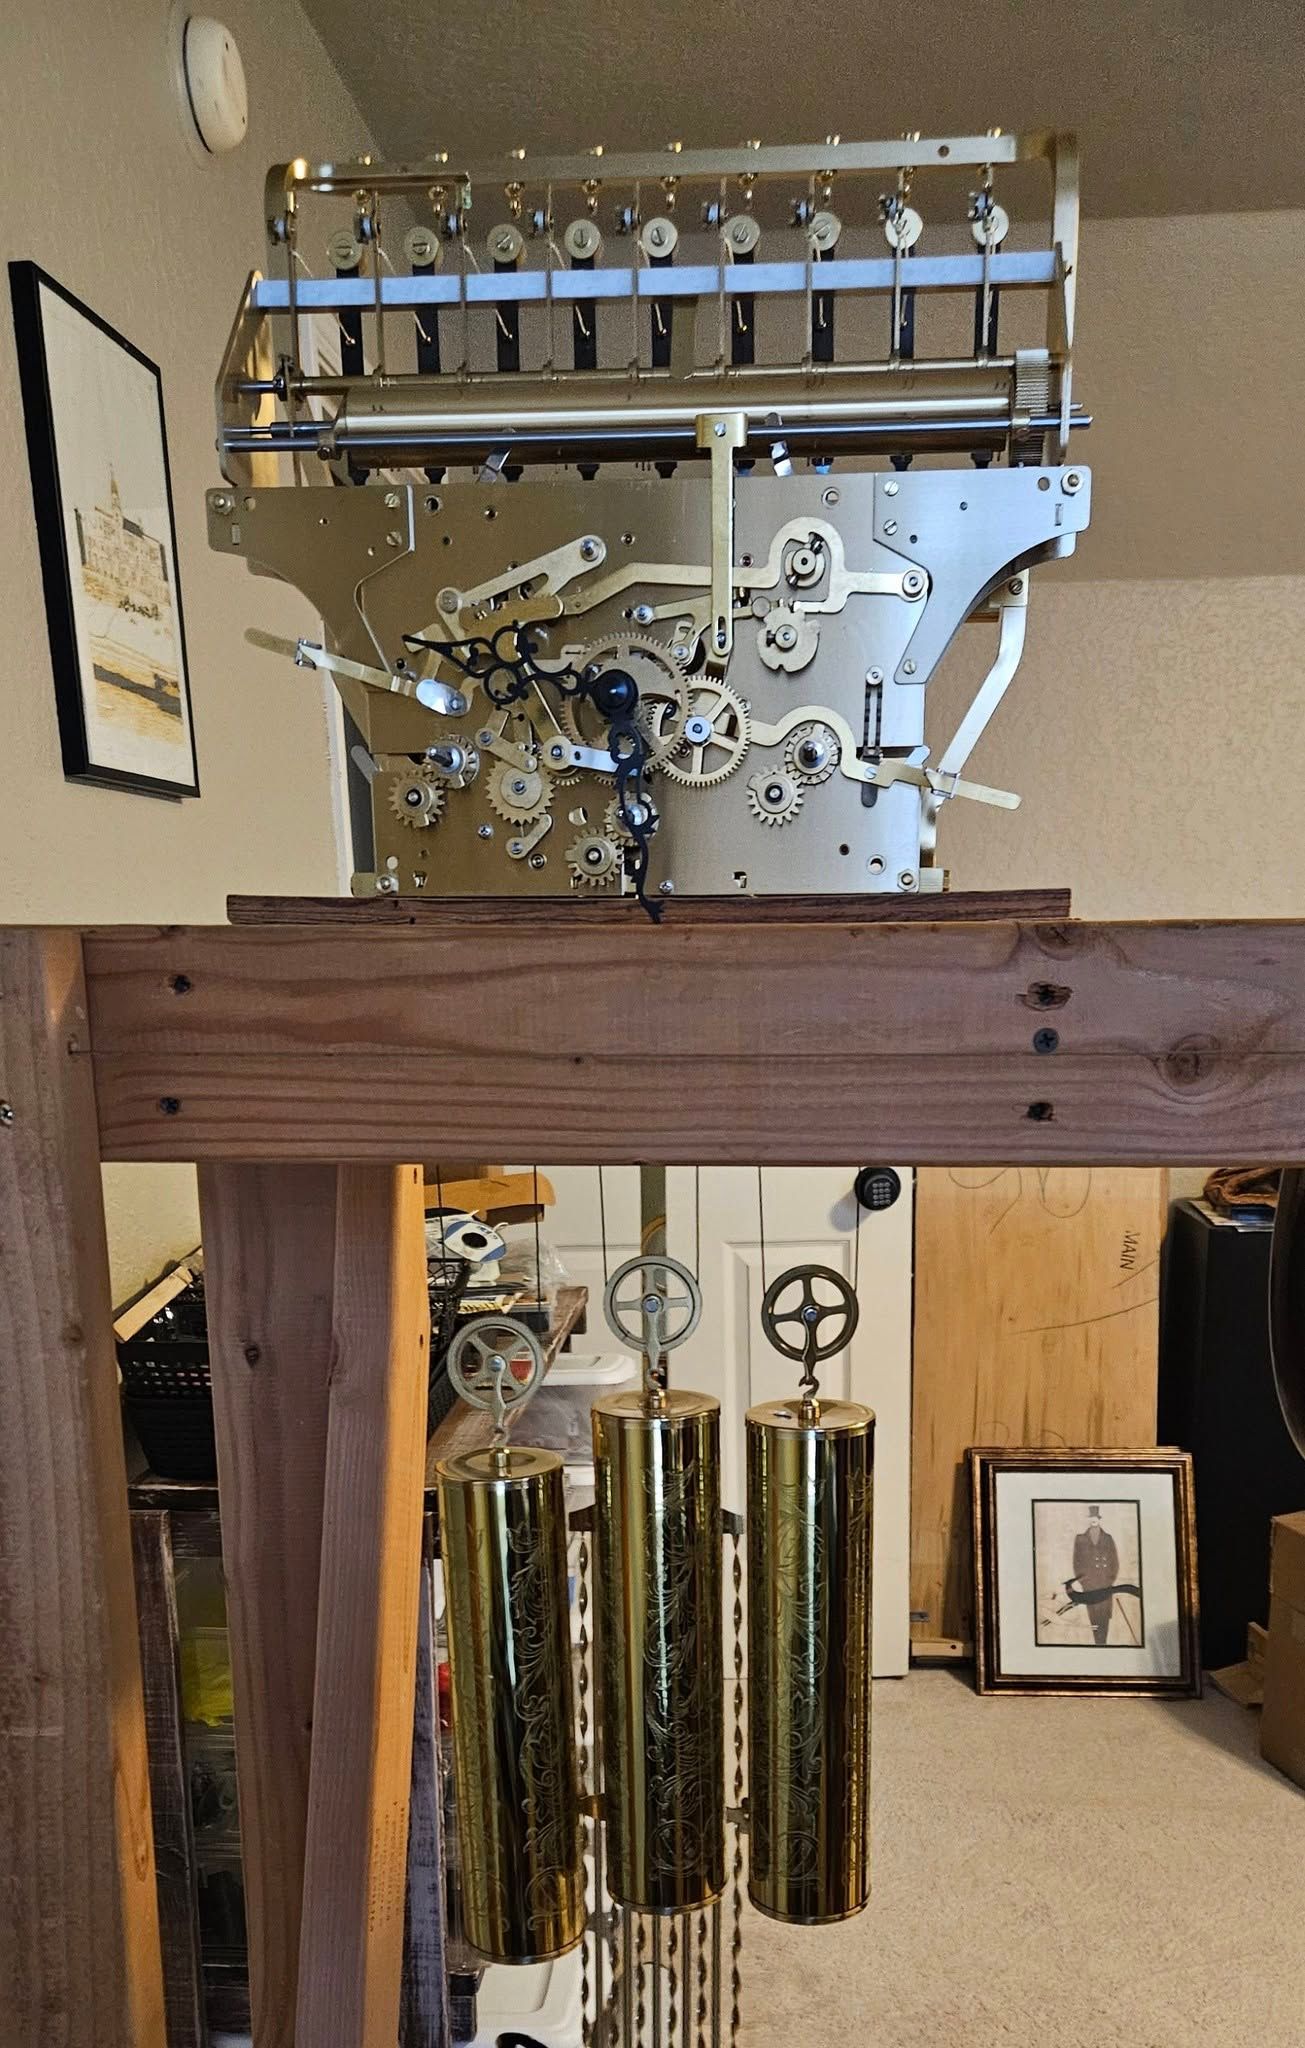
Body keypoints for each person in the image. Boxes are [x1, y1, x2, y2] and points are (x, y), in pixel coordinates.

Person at [1071, 1507, 1120, 1647]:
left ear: (1099, 1519)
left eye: (1096, 1517)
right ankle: (1097, 1645)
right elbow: (1076, 1562)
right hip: (1089, 1585)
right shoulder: (1080, 1539)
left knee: (1104, 1615)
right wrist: (1082, 1581)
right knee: (1093, 1615)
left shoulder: (1108, 1538)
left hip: (1105, 1583)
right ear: (1088, 1519)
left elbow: (1114, 1561)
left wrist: (1110, 1580)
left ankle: (1102, 1644)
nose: (1093, 1519)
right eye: (1091, 1517)